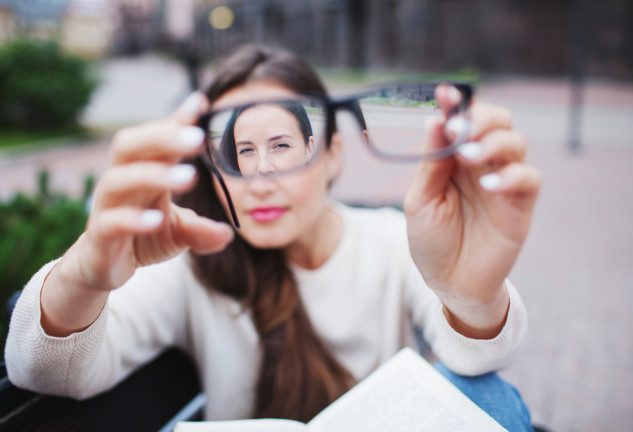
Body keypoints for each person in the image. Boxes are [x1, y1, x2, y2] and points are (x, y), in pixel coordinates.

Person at [5, 45, 540, 430]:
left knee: (490, 399)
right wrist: (83, 273)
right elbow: (46, 371)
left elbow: (476, 360)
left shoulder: (390, 242)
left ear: (332, 154)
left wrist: (470, 295)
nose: (260, 178)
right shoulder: (195, 255)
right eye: (241, 151)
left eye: (283, 145)